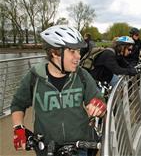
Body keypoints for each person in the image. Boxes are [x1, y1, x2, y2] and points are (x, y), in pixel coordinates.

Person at [11, 25, 106, 156]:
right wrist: (18, 128)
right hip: (47, 148)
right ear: (55, 52)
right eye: (72, 51)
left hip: (80, 146)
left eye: (78, 51)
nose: (78, 56)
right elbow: (18, 104)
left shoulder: (82, 75)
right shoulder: (34, 77)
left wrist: (99, 106)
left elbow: (99, 101)